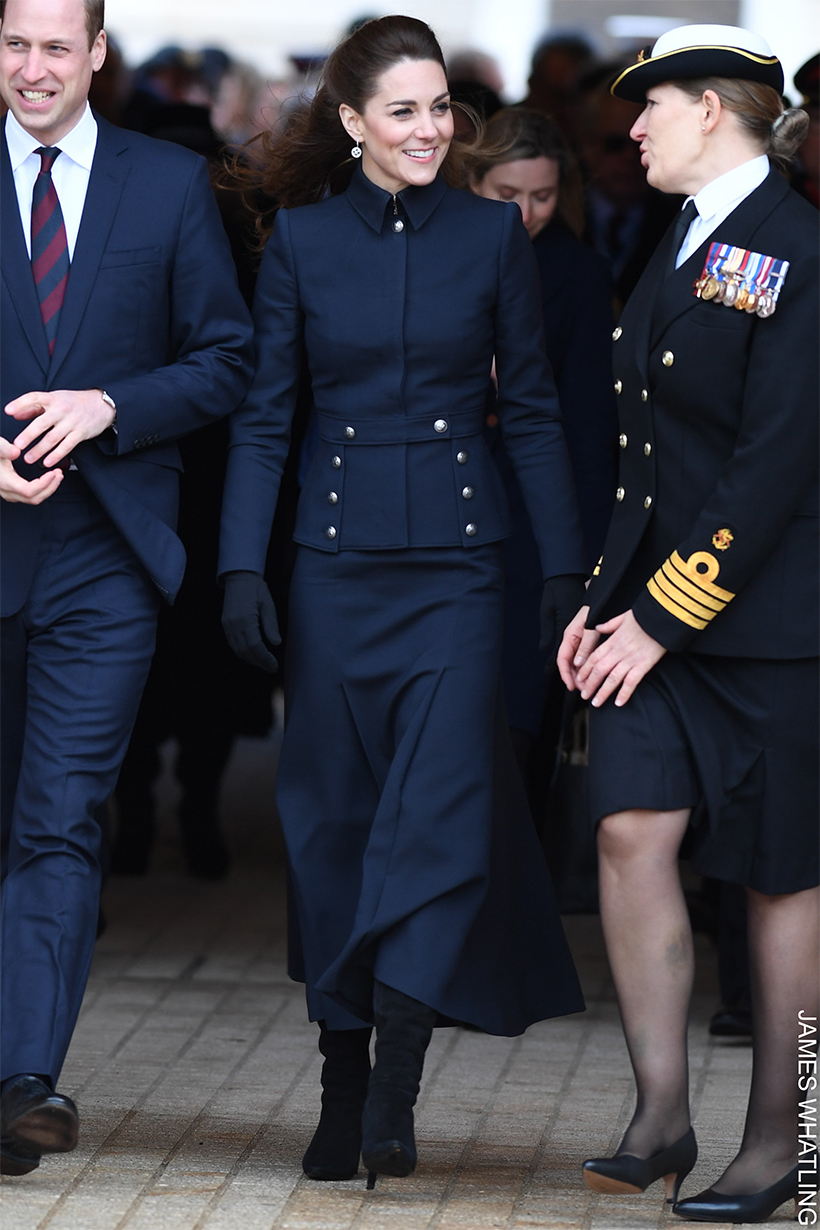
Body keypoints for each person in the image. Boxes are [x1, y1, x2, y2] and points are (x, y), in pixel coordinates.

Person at [219, 15, 586, 1189]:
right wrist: (240, 563)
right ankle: (338, 1074)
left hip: (463, 574)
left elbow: (527, 407)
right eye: (405, 111)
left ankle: (393, 1091)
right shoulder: (303, 244)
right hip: (334, 567)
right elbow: (268, 416)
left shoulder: (491, 237)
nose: (430, 130)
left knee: (434, 824)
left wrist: (565, 568)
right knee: (331, 822)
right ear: (351, 123)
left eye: (442, 109)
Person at [557, 24, 818, 1223]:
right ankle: (662, 1113)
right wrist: (599, 604)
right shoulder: (683, 236)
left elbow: (769, 467)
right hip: (654, 621)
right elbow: (646, 458)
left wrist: (653, 617)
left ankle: (784, 1143)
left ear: (712, 109)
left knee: (778, 883)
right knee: (626, 830)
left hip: (763, 627)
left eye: (650, 108)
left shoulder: (797, 249)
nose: (633, 129)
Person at [0, 0, 253, 1176]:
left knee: (60, 820)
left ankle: (24, 1079)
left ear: (98, 54)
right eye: (14, 43)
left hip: (106, 552)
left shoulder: (167, 182)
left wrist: (109, 409)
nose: (34, 66)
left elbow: (224, 357)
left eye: (58, 45)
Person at [470, 107, 617, 775]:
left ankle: (514, 878)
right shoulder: (425, 249)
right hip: (444, 507)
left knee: (518, 727)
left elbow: (591, 428)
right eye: (508, 195)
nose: (527, 212)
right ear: (469, 180)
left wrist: (585, 561)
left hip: (534, 524)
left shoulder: (578, 272)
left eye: (544, 196)